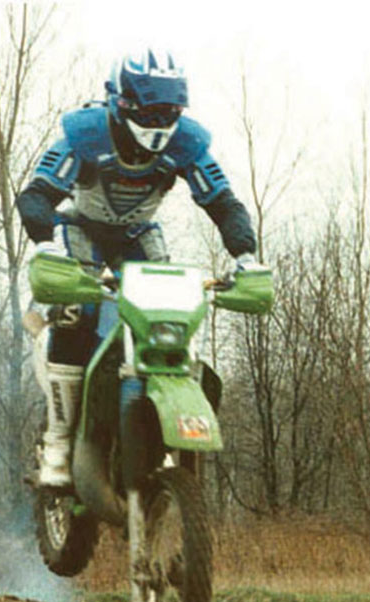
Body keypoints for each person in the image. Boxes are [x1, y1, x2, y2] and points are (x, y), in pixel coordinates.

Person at [16, 49, 258, 487]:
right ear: (122, 103)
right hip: (82, 229)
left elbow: (222, 201)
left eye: (169, 112)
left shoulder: (188, 142)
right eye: (149, 112)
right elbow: (38, 193)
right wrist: (46, 245)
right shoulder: (86, 133)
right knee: (76, 316)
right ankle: (56, 441)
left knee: (173, 318)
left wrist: (246, 257)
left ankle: (160, 427)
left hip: (136, 236)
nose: (159, 122)